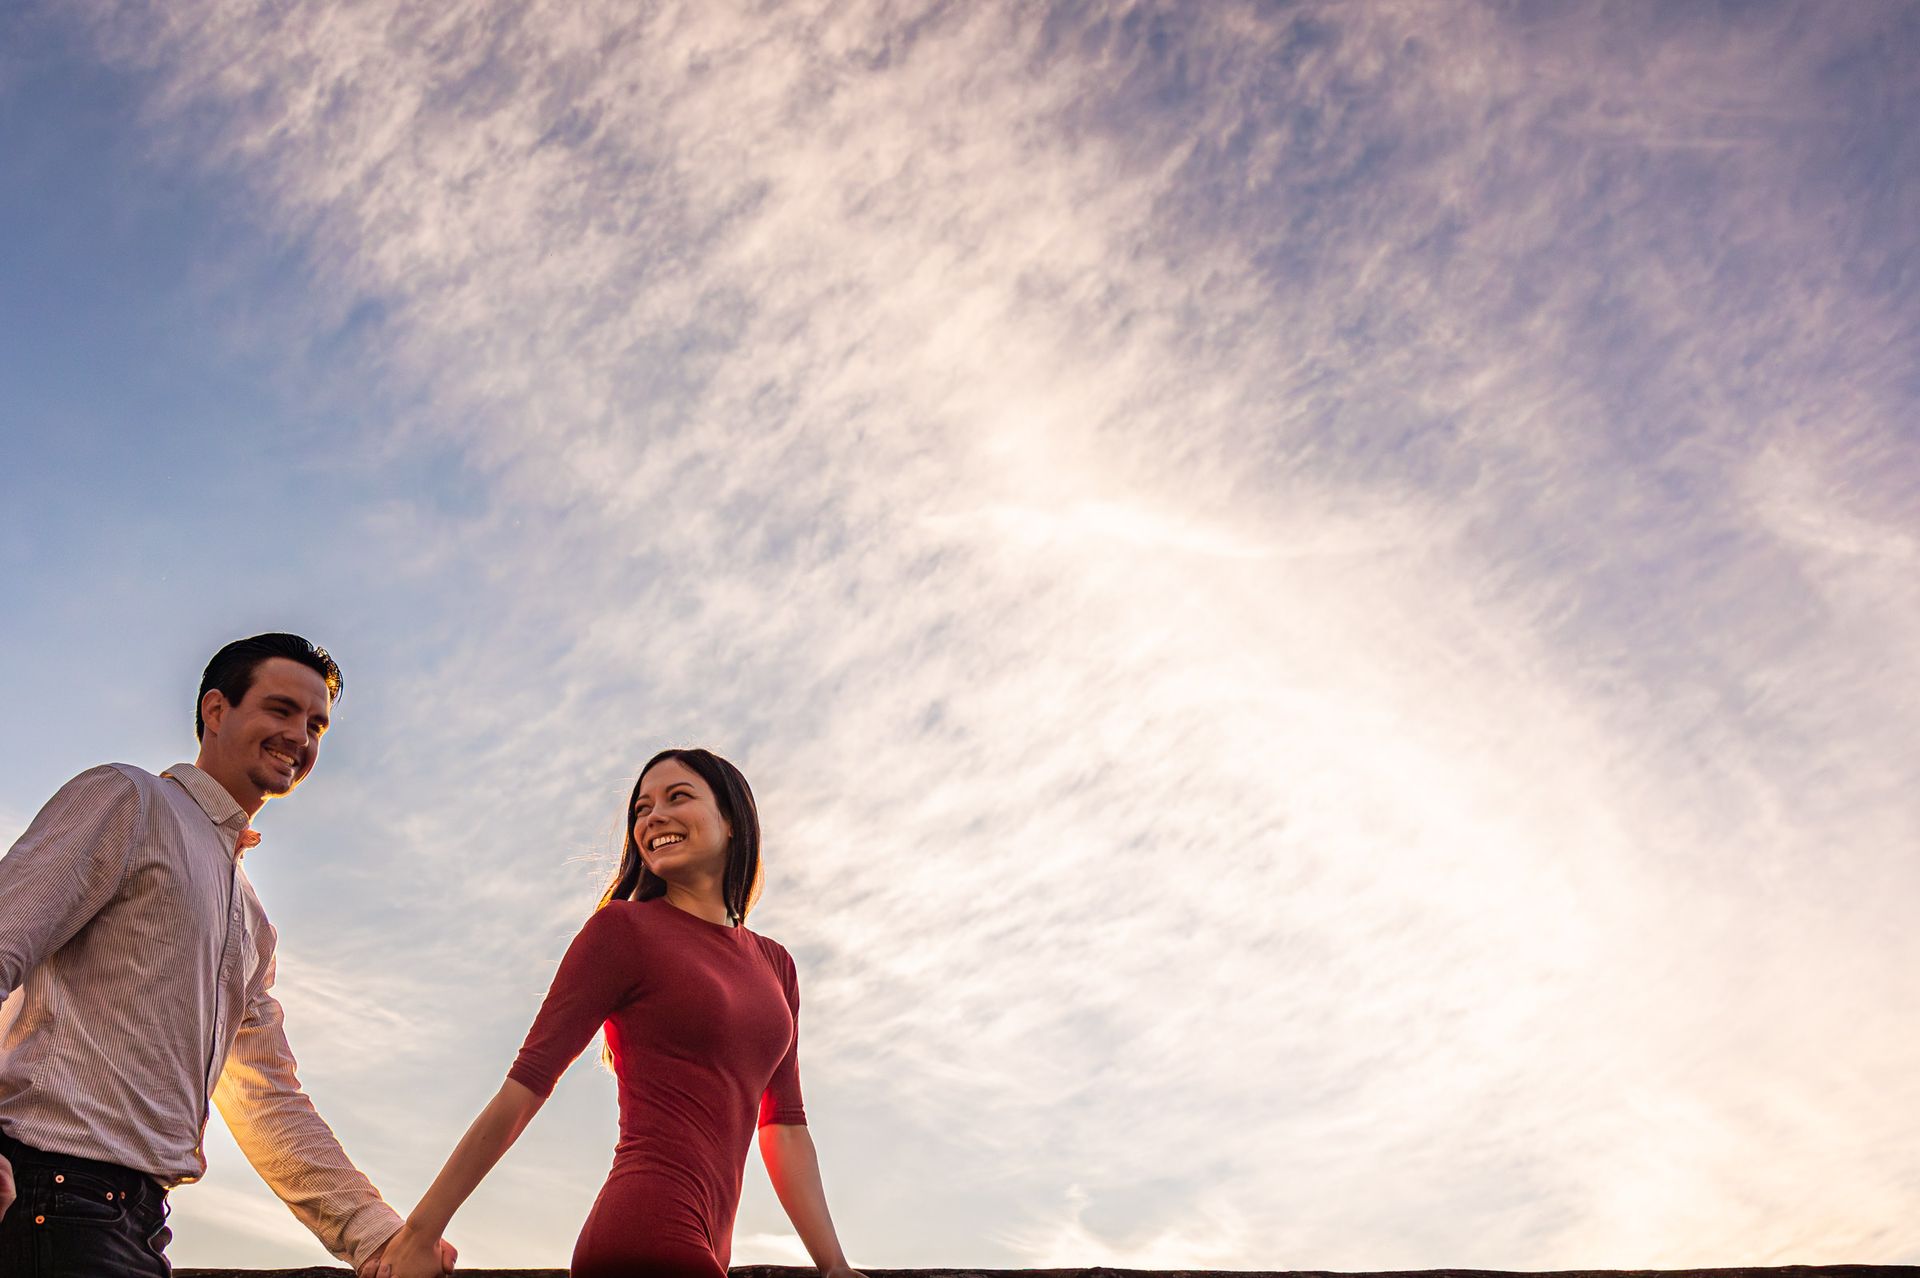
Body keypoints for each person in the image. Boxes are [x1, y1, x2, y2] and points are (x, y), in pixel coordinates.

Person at [0, 633, 455, 1278]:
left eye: (316, 724)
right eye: (280, 709)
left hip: (136, 1223)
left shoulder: (250, 921)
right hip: (48, 1195)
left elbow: (264, 1092)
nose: (299, 736)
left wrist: (376, 1235)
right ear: (216, 710)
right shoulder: (128, 801)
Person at [378, 748, 862, 1278]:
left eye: (677, 797)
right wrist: (420, 1234)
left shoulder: (776, 965)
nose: (654, 817)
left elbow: (784, 1127)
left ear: (731, 819)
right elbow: (525, 1086)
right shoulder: (623, 931)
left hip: (706, 1247)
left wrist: (834, 1266)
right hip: (644, 1231)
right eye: (641, 809)